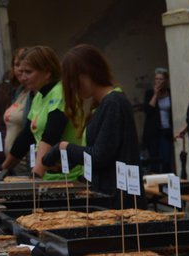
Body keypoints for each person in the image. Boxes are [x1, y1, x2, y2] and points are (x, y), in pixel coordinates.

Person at [42, 44, 139, 202]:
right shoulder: (103, 105)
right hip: (107, 194)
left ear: (84, 76)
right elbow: (99, 151)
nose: (73, 89)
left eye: (71, 82)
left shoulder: (113, 103)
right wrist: (66, 163)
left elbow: (100, 156)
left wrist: (64, 147)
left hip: (119, 200)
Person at [0, 45, 83, 180]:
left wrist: (36, 174)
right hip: (47, 177)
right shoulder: (38, 95)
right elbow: (27, 135)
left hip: (67, 178)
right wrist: (4, 168)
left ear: (47, 72)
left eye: (28, 72)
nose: (23, 77)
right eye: (22, 71)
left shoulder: (61, 92)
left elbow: (51, 135)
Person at [142, 67, 174, 174]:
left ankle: (167, 185)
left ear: (166, 81)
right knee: (154, 160)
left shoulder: (170, 93)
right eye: (156, 79)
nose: (158, 82)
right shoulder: (149, 93)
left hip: (166, 131)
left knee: (166, 159)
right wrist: (155, 94)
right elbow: (148, 111)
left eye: (161, 79)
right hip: (153, 132)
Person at [3, 48, 31, 159]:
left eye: (27, 68)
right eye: (17, 65)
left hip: (27, 160)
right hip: (14, 162)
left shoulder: (35, 93)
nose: (20, 69)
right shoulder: (19, 92)